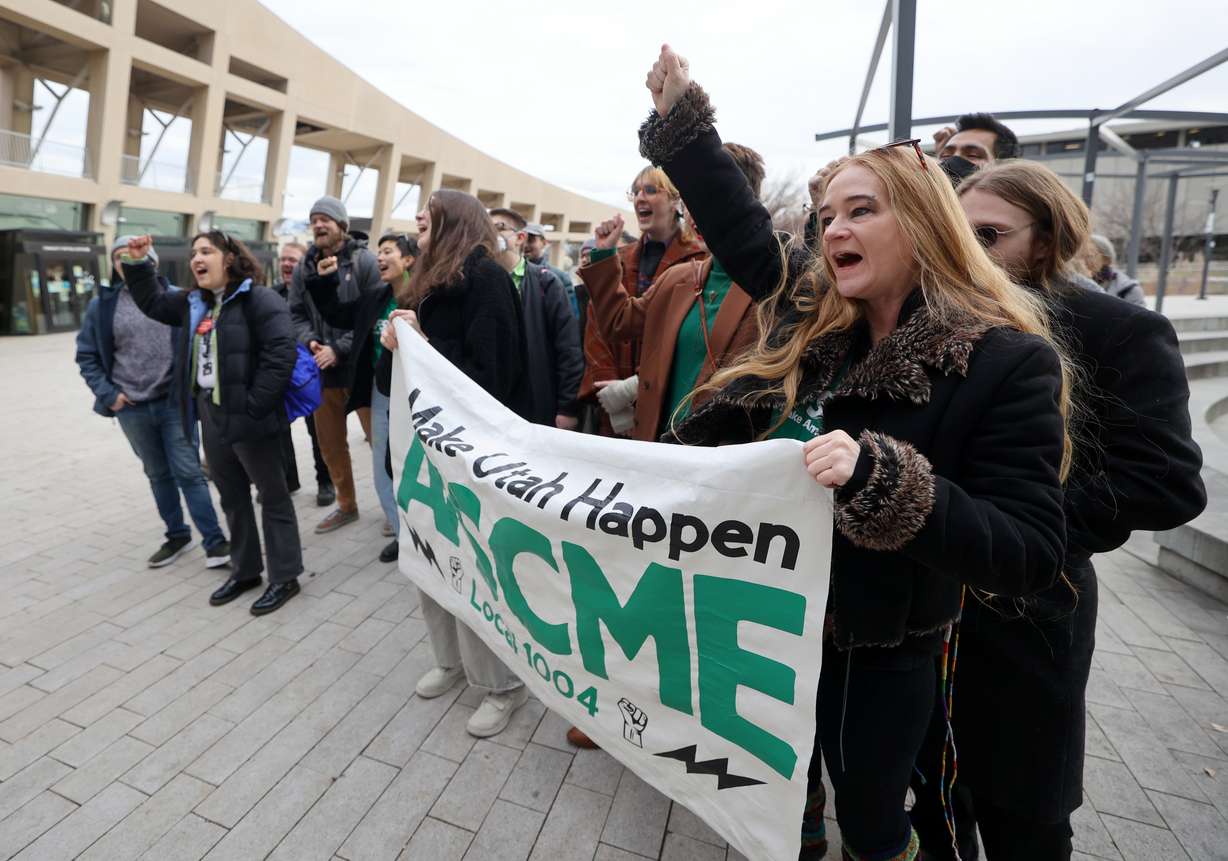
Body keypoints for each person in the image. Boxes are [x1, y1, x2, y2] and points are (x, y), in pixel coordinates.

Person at [641, 45, 1070, 861]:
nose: (833, 227)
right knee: (778, 783)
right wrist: (680, 123)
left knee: (872, 817)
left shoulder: (1004, 360)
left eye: (861, 210)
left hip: (878, 651)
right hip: (766, 620)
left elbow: (1031, 549)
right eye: (828, 213)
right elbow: (738, 226)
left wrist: (887, 483)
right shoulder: (817, 316)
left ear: (923, 222)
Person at [908, 160, 1206, 861]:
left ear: (1047, 241)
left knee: (1025, 811)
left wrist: (1025, 525)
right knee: (935, 799)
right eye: (961, 232)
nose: (971, 251)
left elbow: (1167, 480)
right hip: (932, 601)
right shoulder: (935, 316)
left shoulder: (1121, 330)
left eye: (991, 234)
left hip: (1034, 610)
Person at [377, 189, 533, 738]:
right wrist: (394, 344)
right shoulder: (422, 281)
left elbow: (489, 375)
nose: (419, 218)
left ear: (456, 223)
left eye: (430, 211)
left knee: (472, 568)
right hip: (425, 457)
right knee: (428, 559)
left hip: (467, 456)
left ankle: (502, 685)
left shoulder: (485, 278)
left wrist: (424, 342)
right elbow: (389, 379)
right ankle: (450, 661)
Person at [121, 232, 304, 616]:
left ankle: (285, 576)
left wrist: (254, 407)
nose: (196, 259)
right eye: (193, 254)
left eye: (206, 251)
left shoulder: (260, 299)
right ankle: (246, 570)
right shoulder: (194, 303)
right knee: (232, 498)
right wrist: (138, 265)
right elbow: (153, 301)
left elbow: (281, 354)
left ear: (231, 258)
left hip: (254, 420)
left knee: (272, 498)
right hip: (211, 415)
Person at [75, 236, 230, 570]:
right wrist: (108, 394)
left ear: (151, 261)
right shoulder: (103, 305)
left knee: (189, 472)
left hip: (174, 402)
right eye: (118, 257)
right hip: (131, 407)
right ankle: (176, 534)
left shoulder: (178, 299)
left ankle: (215, 543)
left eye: (130, 255)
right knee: (157, 474)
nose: (124, 260)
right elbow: (86, 356)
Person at [305, 232, 418, 564]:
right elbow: (338, 315)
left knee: (415, 470)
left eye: (388, 252)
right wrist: (325, 280)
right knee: (383, 466)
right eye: (378, 252)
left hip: (418, 398)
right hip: (381, 395)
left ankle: (424, 535)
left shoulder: (426, 299)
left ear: (409, 260)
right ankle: (402, 535)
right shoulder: (376, 297)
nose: (379, 257)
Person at [577, 165, 705, 436]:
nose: (639, 198)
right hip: (611, 406)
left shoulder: (700, 261)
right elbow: (597, 325)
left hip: (667, 400)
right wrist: (610, 395)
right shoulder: (618, 257)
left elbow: (690, 337)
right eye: (635, 192)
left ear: (675, 200)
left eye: (650, 190)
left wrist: (634, 390)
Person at [289, 196, 381, 535]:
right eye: (313, 219)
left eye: (325, 218)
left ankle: (393, 508)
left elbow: (372, 316)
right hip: (320, 370)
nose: (318, 225)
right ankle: (346, 505)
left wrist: (338, 349)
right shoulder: (304, 266)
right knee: (330, 444)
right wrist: (311, 340)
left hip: (359, 369)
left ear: (341, 224)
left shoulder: (365, 262)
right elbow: (295, 311)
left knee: (379, 441)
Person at [489, 207, 584, 430]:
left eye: (500, 228)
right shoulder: (480, 282)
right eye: (486, 228)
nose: (491, 234)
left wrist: (567, 408)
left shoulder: (547, 283)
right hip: (494, 406)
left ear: (519, 237)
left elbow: (568, 349)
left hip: (536, 404)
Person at [272, 241, 333, 503]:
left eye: (293, 260)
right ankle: (288, 479)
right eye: (283, 259)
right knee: (279, 430)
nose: (287, 264)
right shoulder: (270, 295)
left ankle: (326, 482)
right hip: (278, 374)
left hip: (310, 375)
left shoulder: (312, 294)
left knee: (318, 432)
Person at [523, 221, 580, 318]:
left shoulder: (560, 277)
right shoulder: (511, 273)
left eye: (531, 240)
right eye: (522, 239)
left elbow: (570, 318)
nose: (525, 245)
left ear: (544, 243)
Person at [1089, 233, 1146, 305]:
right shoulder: (1075, 285)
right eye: (1079, 255)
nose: (1082, 260)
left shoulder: (1129, 291)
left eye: (1089, 255)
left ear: (1107, 260)